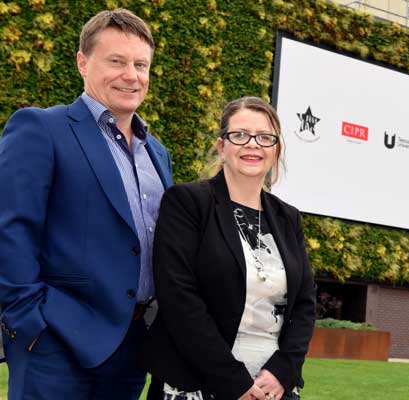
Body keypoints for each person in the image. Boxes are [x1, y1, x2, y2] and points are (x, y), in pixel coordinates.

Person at [0, 8, 172, 399]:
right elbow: (11, 230)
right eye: (116, 61)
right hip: (55, 343)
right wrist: (28, 322)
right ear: (82, 62)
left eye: (141, 64)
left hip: (132, 347)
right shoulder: (41, 128)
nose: (131, 75)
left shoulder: (157, 153)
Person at [140, 96, 316, 400]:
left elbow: (305, 303)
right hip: (199, 379)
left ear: (276, 151)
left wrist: (283, 369)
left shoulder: (288, 218)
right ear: (222, 146)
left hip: (271, 385)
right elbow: (179, 298)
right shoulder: (187, 203)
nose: (252, 144)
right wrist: (233, 380)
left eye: (264, 137)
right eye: (240, 135)